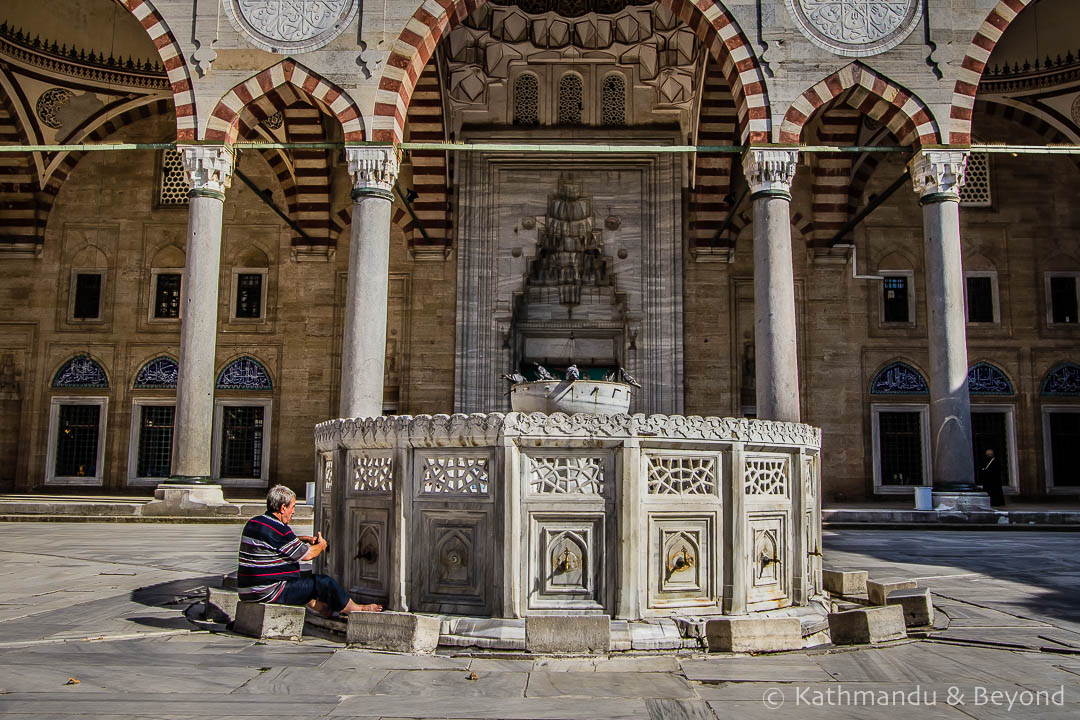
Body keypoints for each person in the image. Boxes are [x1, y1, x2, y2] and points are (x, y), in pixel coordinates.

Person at [237, 484, 381, 617]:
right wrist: (321, 545)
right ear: (282, 508)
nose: (293, 512)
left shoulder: (255, 523)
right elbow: (308, 555)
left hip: (247, 591)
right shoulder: (279, 529)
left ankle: (321, 608)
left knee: (302, 578)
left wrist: (303, 539)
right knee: (323, 582)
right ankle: (355, 609)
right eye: (292, 507)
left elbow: (275, 543)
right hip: (268, 592)